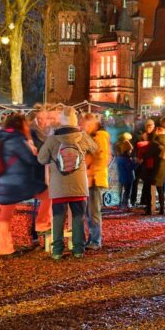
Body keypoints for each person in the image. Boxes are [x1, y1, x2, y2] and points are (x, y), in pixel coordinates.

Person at [37, 107, 97, 260]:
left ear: (61, 121)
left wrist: (53, 157)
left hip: (58, 186)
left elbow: (41, 159)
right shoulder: (82, 137)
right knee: (78, 218)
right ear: (75, 121)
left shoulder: (53, 139)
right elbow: (95, 150)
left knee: (58, 218)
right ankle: (78, 250)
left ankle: (57, 251)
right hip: (79, 185)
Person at [0, 113, 47, 257]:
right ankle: (42, 224)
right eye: (25, 124)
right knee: (49, 194)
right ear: (20, 125)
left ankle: (5, 249)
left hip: (5, 183)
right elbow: (29, 159)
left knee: (5, 216)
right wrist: (35, 154)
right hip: (20, 183)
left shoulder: (4, 138)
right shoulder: (17, 139)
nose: (27, 126)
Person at [82, 113, 110, 249]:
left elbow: (101, 156)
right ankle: (92, 238)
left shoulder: (100, 136)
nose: (85, 128)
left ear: (93, 124)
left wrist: (90, 168)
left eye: (87, 125)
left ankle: (95, 240)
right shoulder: (94, 136)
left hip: (95, 178)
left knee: (93, 211)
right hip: (90, 177)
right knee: (90, 211)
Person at [28, 105, 52, 245]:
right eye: (41, 118)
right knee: (38, 202)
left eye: (45, 118)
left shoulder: (47, 131)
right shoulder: (33, 131)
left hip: (44, 169)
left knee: (42, 201)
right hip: (37, 169)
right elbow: (39, 150)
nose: (43, 121)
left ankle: (38, 230)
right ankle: (36, 231)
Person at [134, 118, 156, 213]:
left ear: (153, 126)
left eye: (150, 126)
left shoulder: (155, 136)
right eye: (147, 126)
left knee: (152, 186)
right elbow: (139, 149)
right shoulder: (143, 136)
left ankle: (151, 205)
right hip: (145, 163)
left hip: (153, 164)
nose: (149, 128)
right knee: (146, 185)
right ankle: (147, 205)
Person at [150, 119, 165, 214]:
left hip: (160, 161)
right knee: (160, 184)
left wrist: (155, 137)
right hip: (163, 161)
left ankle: (161, 207)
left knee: (158, 184)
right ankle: (162, 206)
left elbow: (153, 144)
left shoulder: (160, 138)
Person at [114, 133, 135, 209]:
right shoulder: (127, 159)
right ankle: (125, 204)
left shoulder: (119, 158)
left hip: (121, 177)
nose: (131, 151)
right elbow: (131, 168)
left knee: (121, 191)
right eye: (130, 150)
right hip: (128, 178)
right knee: (127, 191)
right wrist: (137, 163)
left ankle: (120, 203)